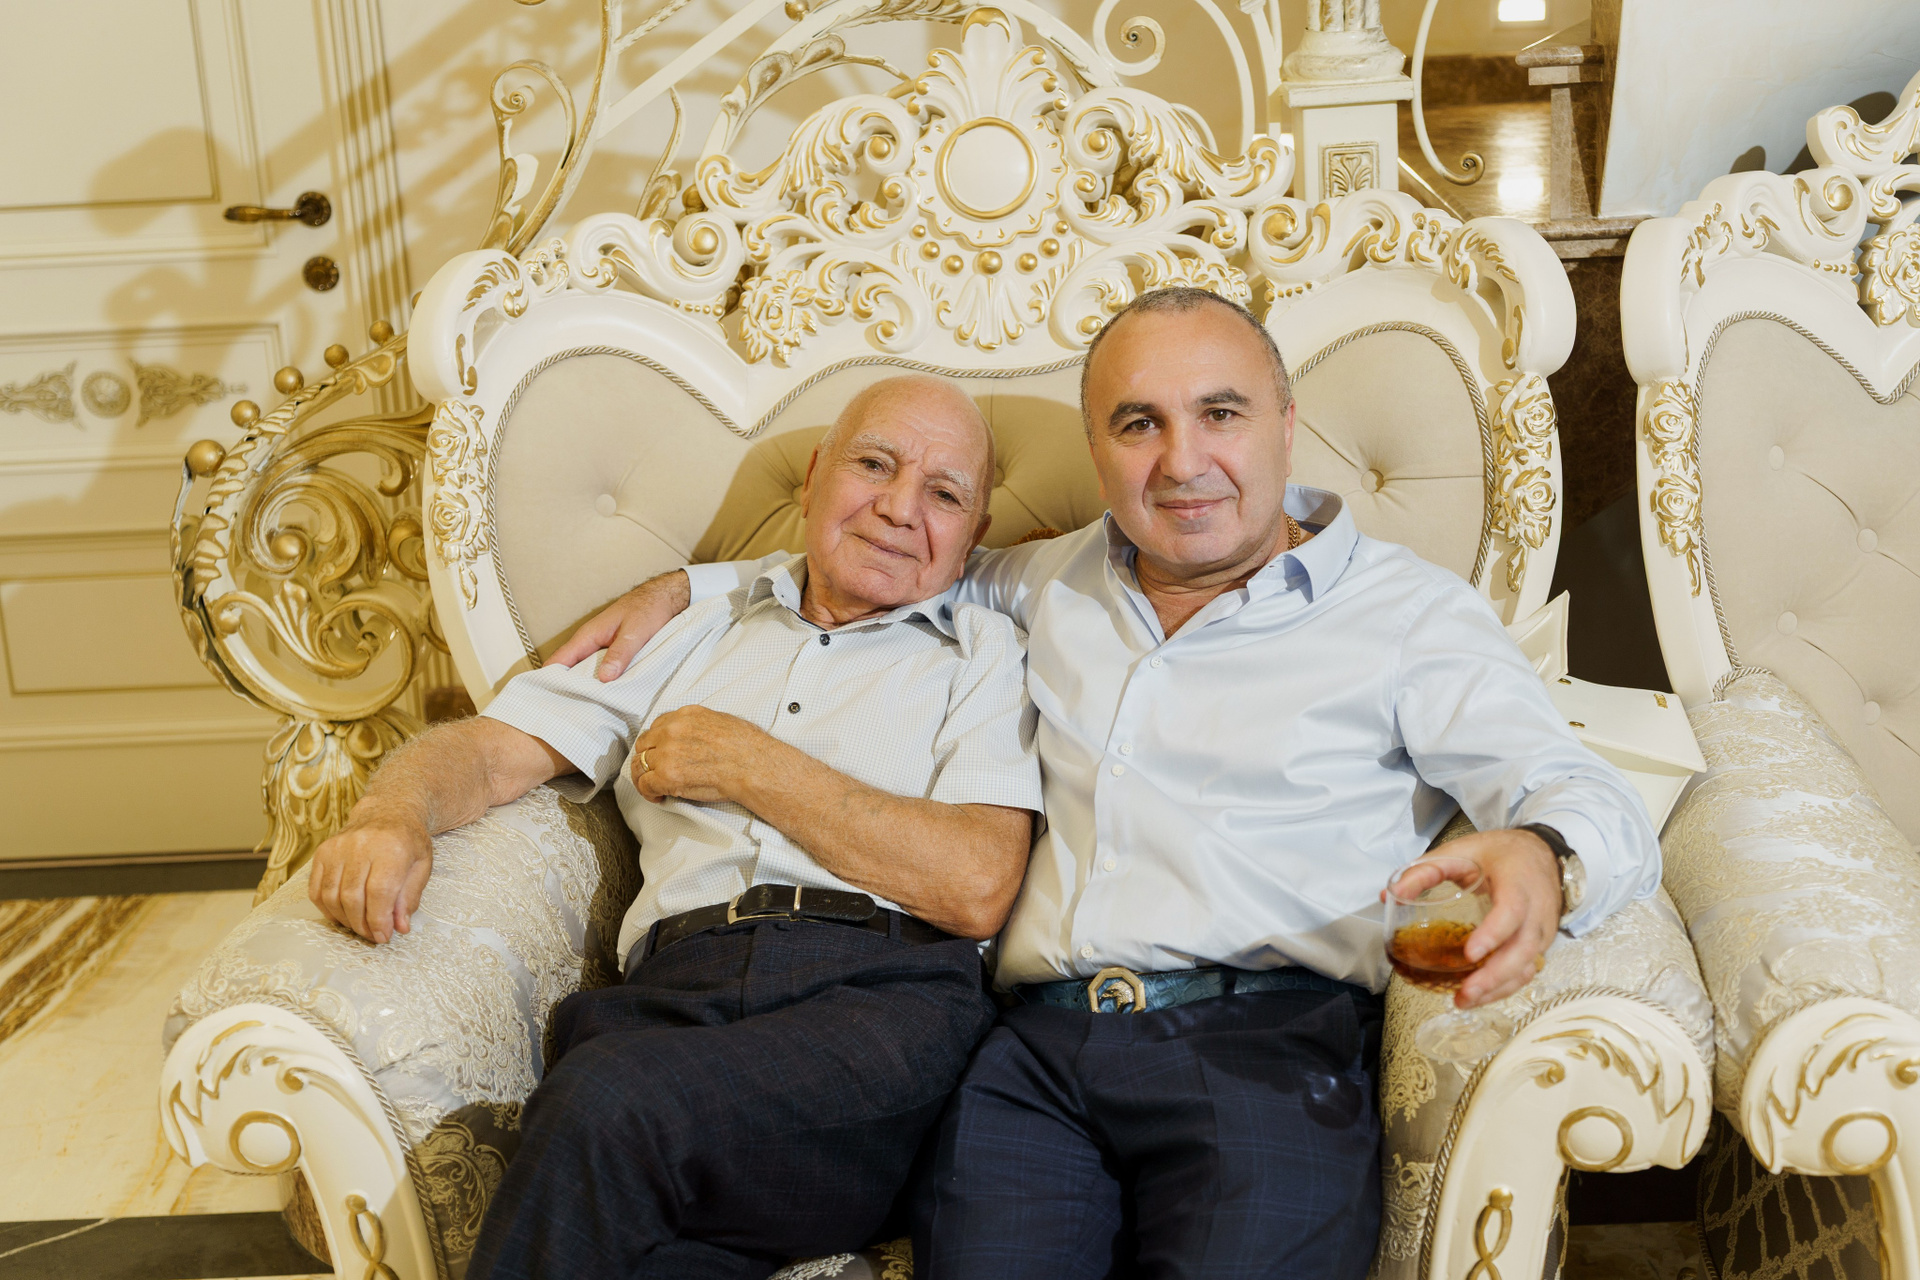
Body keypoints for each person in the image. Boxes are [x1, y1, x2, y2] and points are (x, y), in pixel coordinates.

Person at [549, 287, 1660, 1278]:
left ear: (1286, 424)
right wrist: (690, 591)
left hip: (1268, 1048)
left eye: (1219, 413)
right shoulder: (1041, 581)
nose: (1181, 461)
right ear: (1097, 448)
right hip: (1032, 1064)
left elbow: (1580, 790)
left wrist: (1544, 858)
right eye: (1139, 424)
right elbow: (880, 554)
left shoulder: (1408, 615)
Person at [306, 374, 1044, 1280]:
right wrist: (392, 816)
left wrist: (753, 766)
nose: (899, 508)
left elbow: (976, 884)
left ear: (974, 534)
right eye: (874, 465)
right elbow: (491, 754)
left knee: (604, 1104)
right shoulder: (690, 626)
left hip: (878, 1010)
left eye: (944, 495)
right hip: (669, 998)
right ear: (814, 476)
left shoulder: (985, 653)